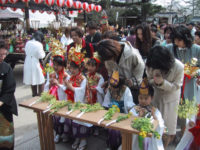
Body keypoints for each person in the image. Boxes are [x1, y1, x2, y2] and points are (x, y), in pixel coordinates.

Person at [146, 45, 184, 148]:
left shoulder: (179, 66)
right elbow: (148, 79)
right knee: (153, 124)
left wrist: (163, 83)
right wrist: (154, 81)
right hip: (156, 97)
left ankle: (164, 147)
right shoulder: (150, 64)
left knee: (168, 129)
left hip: (170, 100)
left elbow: (176, 86)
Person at [119, 78, 165, 150]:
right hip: (135, 140)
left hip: (150, 141)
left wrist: (154, 116)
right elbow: (129, 125)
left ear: (152, 98)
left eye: (146, 98)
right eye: (140, 98)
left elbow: (161, 126)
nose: (143, 101)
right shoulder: (134, 110)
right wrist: (138, 117)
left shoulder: (155, 111)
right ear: (137, 97)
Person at [97, 38, 145, 104]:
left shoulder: (132, 54)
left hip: (133, 90)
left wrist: (133, 81)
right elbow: (110, 73)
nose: (111, 60)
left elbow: (139, 72)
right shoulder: (107, 58)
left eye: (110, 58)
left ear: (114, 52)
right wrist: (109, 82)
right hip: (117, 90)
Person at [63, 51, 90, 150]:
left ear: (80, 68)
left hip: (81, 103)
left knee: (79, 121)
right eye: (71, 68)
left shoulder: (83, 79)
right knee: (73, 122)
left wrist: (71, 88)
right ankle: (77, 139)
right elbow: (67, 89)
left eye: (74, 68)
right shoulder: (71, 77)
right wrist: (65, 86)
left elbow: (82, 93)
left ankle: (83, 140)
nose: (72, 70)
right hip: (72, 102)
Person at [166, 25, 200, 103]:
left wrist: (196, 73)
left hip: (190, 85)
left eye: (179, 40)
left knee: (188, 110)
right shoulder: (169, 48)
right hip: (173, 85)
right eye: (174, 40)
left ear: (186, 38)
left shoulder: (197, 49)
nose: (176, 42)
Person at [102, 71, 135, 150]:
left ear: (120, 85)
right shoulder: (110, 88)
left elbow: (129, 105)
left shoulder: (126, 90)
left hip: (123, 114)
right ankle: (111, 145)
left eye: (114, 87)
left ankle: (120, 145)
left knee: (117, 131)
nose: (112, 88)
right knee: (111, 130)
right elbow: (106, 102)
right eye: (111, 86)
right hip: (112, 113)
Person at [44, 50, 69, 143]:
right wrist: (50, 84)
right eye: (54, 64)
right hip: (54, 100)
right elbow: (46, 87)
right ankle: (58, 133)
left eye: (58, 65)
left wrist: (58, 84)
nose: (55, 67)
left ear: (63, 66)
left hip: (63, 100)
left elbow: (68, 91)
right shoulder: (52, 75)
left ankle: (65, 134)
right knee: (55, 119)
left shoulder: (67, 76)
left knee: (63, 119)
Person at [0, 39, 18, 150]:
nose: (2, 57)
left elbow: (9, 89)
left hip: (4, 107)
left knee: (5, 137)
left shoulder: (6, 68)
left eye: (4, 54)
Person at [23, 31, 46, 97]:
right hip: (35, 64)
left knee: (32, 80)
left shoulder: (28, 43)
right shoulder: (39, 44)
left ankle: (34, 94)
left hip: (27, 62)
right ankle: (40, 95)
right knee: (41, 80)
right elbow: (41, 56)